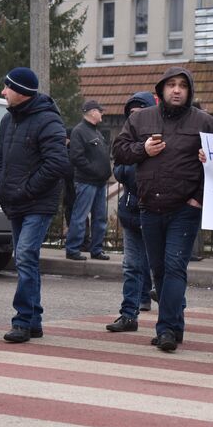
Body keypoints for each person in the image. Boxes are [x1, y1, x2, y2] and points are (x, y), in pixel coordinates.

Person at [113, 67, 213, 352]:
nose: (176, 90)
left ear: (189, 91)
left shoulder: (204, 122)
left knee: (174, 267)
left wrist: (197, 198)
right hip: (148, 207)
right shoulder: (140, 118)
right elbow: (119, 151)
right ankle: (176, 325)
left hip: (184, 208)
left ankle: (167, 329)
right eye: (171, 85)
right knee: (158, 269)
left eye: (182, 85)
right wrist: (142, 150)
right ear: (160, 90)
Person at [0, 67, 69, 343]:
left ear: (21, 92)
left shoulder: (48, 121)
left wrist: (26, 190)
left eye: (7, 87)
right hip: (14, 200)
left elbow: (57, 164)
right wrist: (1, 187)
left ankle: (22, 320)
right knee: (26, 259)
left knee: (25, 255)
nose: (3, 92)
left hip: (38, 203)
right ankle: (35, 320)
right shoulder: (7, 120)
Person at [106, 92, 156, 331]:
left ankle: (171, 320)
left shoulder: (159, 136)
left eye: (139, 113)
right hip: (131, 209)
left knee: (165, 267)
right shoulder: (126, 139)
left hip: (157, 211)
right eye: (131, 114)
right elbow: (119, 169)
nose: (134, 118)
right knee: (132, 265)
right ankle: (128, 314)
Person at [66, 100, 112, 261]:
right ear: (92, 112)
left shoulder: (96, 132)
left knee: (100, 218)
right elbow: (76, 157)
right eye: (100, 111)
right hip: (86, 181)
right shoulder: (79, 131)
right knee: (80, 216)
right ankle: (72, 249)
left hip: (98, 182)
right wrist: (95, 171)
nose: (102, 113)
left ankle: (96, 249)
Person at [62, 127, 90, 251]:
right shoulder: (73, 149)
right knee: (76, 214)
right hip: (72, 187)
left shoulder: (70, 150)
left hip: (74, 187)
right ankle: (81, 241)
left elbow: (68, 169)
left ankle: (82, 242)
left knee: (75, 214)